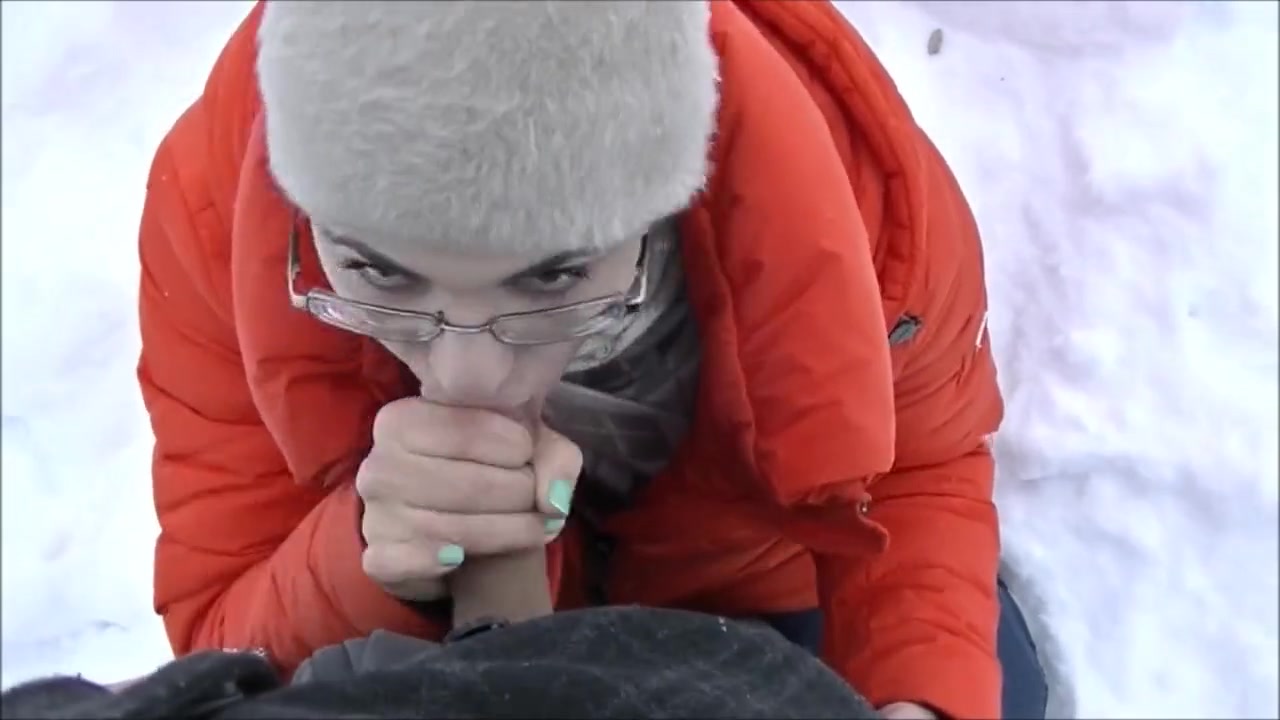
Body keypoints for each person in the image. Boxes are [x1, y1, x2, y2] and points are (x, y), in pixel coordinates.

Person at [135, 1, 1049, 718]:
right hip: (432, 642)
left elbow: (918, 470)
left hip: (758, 588)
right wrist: (372, 561)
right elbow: (220, 642)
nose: (463, 378)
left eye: (553, 273)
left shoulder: (860, 205)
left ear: (663, 206)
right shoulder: (217, 218)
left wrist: (916, 697)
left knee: (994, 679)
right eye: (376, 271)